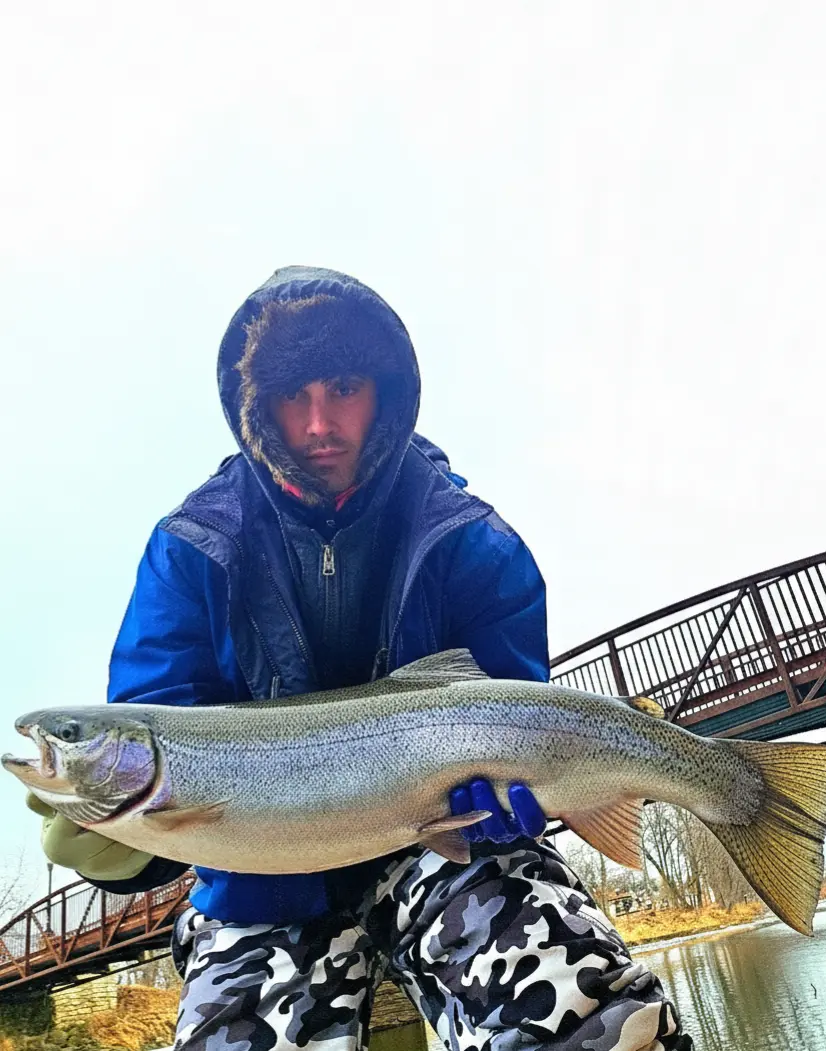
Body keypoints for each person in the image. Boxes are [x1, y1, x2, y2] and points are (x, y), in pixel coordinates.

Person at [29, 267, 691, 1050]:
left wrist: (530, 800)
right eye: (292, 394)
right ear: (255, 407)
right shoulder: (190, 549)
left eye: (342, 388)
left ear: (385, 392)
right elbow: (161, 716)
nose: (318, 423)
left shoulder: (472, 540)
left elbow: (523, 709)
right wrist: (123, 846)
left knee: (590, 1024)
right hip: (260, 891)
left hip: (450, 851)